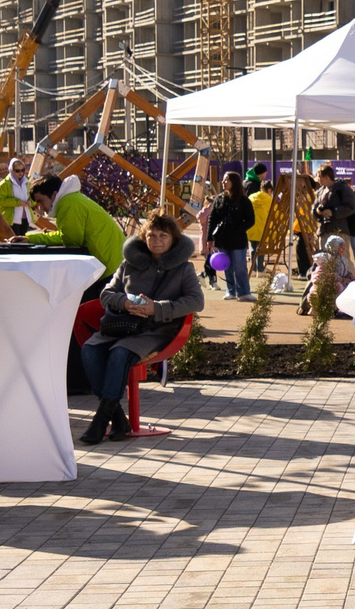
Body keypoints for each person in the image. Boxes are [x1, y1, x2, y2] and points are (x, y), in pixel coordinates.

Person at [80, 211, 205, 444]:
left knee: (120, 354)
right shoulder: (130, 263)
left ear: (173, 239)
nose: (156, 240)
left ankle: (100, 421)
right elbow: (107, 294)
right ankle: (117, 417)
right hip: (123, 326)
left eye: (162, 236)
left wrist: (156, 308)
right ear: (144, 237)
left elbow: (196, 301)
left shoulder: (183, 269)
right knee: (89, 350)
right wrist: (125, 302)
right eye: (151, 235)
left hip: (157, 331)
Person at [20, 174, 123, 300]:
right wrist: (30, 239)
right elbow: (67, 236)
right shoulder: (71, 199)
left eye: (40, 201)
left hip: (108, 268)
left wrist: (32, 240)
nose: (40, 207)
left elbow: (71, 242)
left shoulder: (67, 204)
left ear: (53, 194)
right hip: (113, 262)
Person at [203, 171, 256, 300]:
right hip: (223, 238)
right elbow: (212, 219)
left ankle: (244, 292)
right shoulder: (219, 199)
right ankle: (230, 291)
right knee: (227, 266)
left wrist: (239, 228)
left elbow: (251, 220)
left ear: (234, 182)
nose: (223, 182)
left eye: (226, 180)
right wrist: (209, 238)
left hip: (238, 239)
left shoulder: (244, 200)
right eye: (224, 180)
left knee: (240, 266)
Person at [313, 164, 355, 243]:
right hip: (323, 232)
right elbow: (314, 208)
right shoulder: (320, 191)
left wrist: (333, 212)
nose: (318, 180)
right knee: (323, 255)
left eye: (319, 177)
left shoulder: (342, 188)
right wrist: (317, 211)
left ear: (327, 177)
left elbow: (351, 207)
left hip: (339, 232)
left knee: (340, 256)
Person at [0, 156, 36, 236]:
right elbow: (0, 201)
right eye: (17, 170)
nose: (21, 173)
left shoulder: (27, 182)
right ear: (11, 170)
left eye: (22, 170)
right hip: (11, 219)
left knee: (23, 241)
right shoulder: (4, 184)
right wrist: (18, 202)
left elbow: (34, 197)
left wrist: (31, 202)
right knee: (14, 242)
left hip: (25, 218)